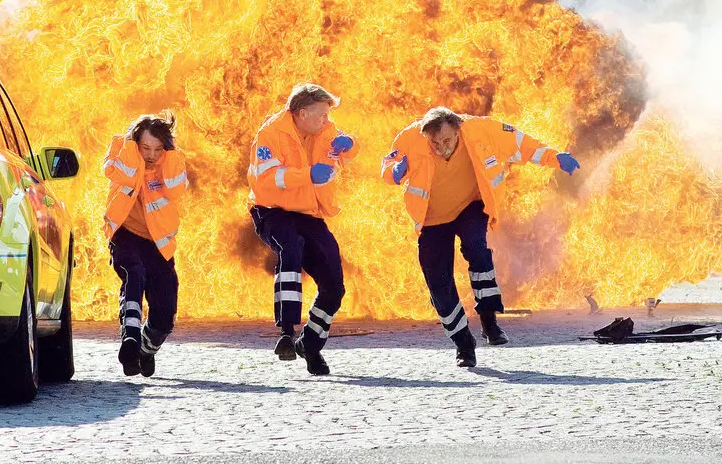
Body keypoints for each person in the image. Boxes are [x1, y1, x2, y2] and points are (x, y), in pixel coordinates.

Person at [381, 107, 580, 367]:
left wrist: (555, 157)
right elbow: (386, 165)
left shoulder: (481, 130)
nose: (441, 148)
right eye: (434, 143)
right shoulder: (409, 138)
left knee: (477, 248)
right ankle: (464, 345)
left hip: (470, 207)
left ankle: (489, 321)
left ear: (458, 131)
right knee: (438, 284)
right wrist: (394, 172)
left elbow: (521, 144)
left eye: (447, 141)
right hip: (431, 219)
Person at [247, 83, 359, 375]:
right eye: (321, 115)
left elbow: (345, 147)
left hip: (310, 212)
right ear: (301, 113)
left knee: (335, 286)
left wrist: (350, 144)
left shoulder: (323, 128)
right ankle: (286, 331)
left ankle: (309, 343)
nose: (326, 121)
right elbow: (269, 179)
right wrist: (307, 174)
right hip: (272, 210)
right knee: (291, 248)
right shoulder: (269, 135)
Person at [102, 111, 189, 377]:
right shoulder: (121, 149)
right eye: (145, 147)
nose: (151, 154)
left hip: (158, 244)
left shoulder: (173, 161)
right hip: (125, 234)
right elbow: (118, 173)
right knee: (134, 274)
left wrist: (170, 154)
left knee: (165, 314)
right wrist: (130, 145)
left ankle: (145, 349)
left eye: (157, 148)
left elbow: (176, 189)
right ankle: (130, 338)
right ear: (135, 142)